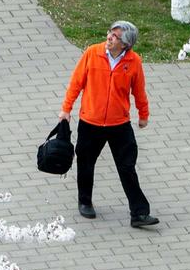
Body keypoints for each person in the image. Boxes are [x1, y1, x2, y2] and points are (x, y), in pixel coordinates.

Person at [59, 20, 158, 229]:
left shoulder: (134, 62)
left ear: (125, 44)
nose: (109, 37)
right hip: (90, 121)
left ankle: (139, 213)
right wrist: (66, 109)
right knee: (86, 162)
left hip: (119, 124)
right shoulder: (92, 53)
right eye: (110, 33)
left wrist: (144, 114)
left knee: (127, 167)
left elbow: (139, 90)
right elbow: (76, 82)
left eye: (115, 36)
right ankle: (85, 201)